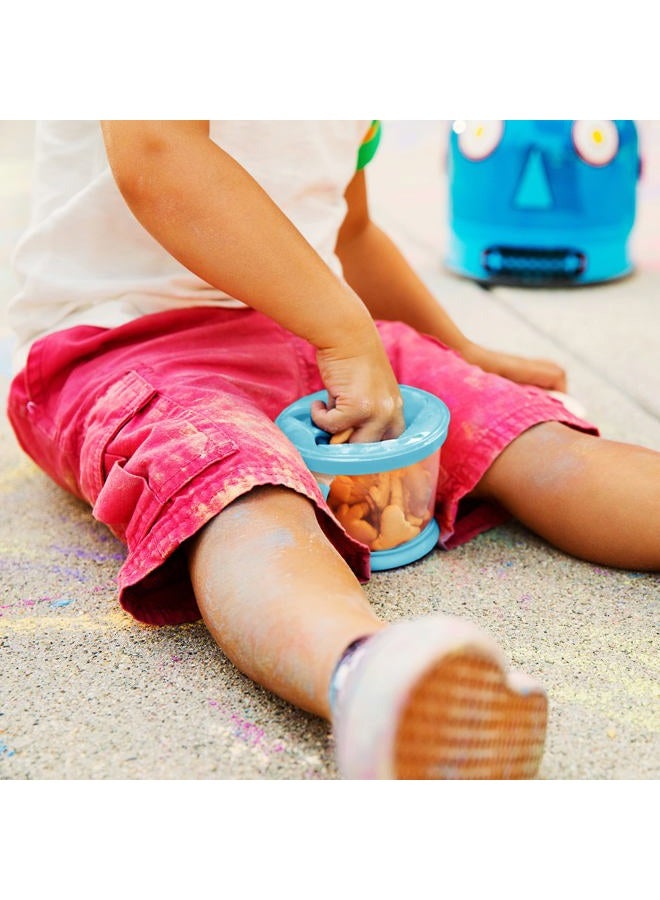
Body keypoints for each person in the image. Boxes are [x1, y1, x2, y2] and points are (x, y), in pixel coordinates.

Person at [6, 120, 660, 780]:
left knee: (531, 439)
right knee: (244, 502)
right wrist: (344, 333)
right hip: (130, 345)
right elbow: (157, 152)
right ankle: (373, 680)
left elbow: (349, 231)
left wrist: (460, 356)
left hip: (313, 331)